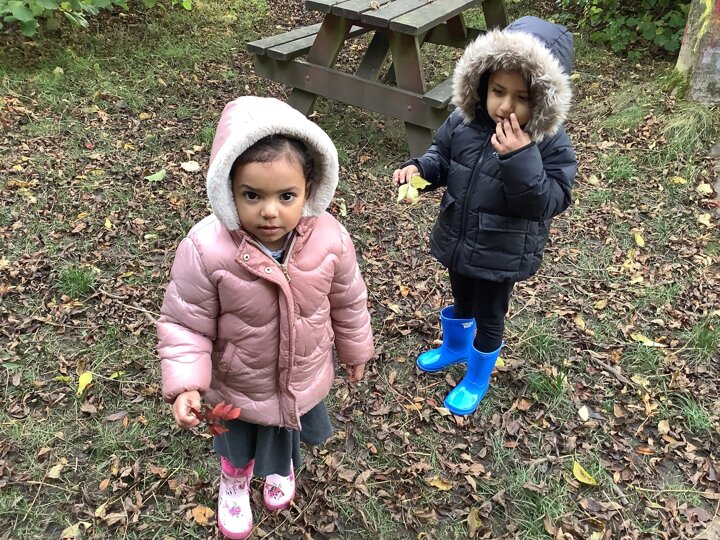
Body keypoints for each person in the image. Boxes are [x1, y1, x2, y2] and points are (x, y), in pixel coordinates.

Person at [157, 96, 374, 540]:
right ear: (228, 189)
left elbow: (348, 301)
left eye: (286, 196)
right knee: (236, 440)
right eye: (252, 195)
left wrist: (355, 349)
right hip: (237, 382)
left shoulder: (331, 239)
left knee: (284, 430)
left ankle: (279, 469)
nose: (270, 211)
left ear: (310, 189)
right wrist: (187, 383)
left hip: (299, 375)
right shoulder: (206, 249)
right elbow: (185, 322)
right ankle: (234, 481)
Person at [392, 16, 577, 416]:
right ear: (482, 83)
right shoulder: (465, 121)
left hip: (501, 251)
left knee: (490, 314)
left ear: (542, 100)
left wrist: (520, 157)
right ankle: (455, 347)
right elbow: (442, 157)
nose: (505, 106)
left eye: (521, 97)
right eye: (497, 91)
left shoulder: (548, 143)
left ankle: (477, 376)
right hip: (459, 234)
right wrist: (419, 169)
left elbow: (551, 200)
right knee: (461, 297)